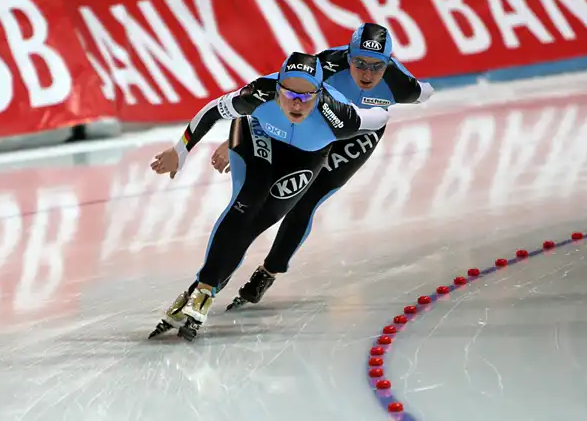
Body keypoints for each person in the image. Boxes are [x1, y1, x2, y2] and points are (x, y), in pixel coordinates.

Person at [148, 50, 390, 341]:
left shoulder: (340, 117)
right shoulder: (258, 94)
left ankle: (198, 289)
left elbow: (379, 117)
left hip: (305, 157)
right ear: (277, 89)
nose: (297, 104)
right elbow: (213, 109)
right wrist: (180, 151)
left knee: (261, 220)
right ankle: (203, 292)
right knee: (248, 199)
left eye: (307, 97)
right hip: (258, 135)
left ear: (320, 93)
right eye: (290, 95)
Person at [211, 23, 435, 311]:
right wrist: (233, 139)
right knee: (265, 196)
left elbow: (425, 93)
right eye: (359, 63)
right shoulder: (326, 64)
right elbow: (269, 90)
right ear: (347, 56)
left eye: (376, 67)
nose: (367, 74)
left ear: (389, 63)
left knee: (305, 203)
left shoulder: (401, 84)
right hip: (318, 126)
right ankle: (222, 267)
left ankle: (269, 272)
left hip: (358, 133)